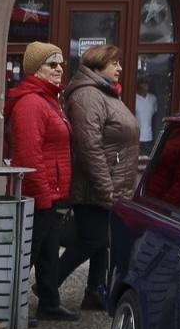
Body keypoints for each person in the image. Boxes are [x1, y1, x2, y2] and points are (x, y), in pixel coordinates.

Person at [59, 44, 140, 312]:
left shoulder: (106, 92)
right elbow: (88, 146)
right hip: (93, 186)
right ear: (98, 64)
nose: (120, 68)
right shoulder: (88, 95)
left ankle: (95, 291)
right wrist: (105, 186)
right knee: (92, 240)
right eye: (114, 63)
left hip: (109, 182)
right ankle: (48, 283)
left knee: (102, 240)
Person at [4, 41, 76, 321]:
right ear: (36, 69)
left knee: (48, 251)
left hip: (50, 192)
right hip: (37, 193)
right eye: (52, 64)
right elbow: (28, 155)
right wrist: (43, 195)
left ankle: (49, 302)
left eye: (61, 64)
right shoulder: (32, 103)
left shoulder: (48, 99)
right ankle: (11, 308)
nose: (59, 69)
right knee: (28, 253)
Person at [135, 79, 158, 156]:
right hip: (136, 138)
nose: (146, 85)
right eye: (143, 83)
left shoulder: (153, 99)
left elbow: (155, 117)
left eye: (147, 83)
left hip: (149, 138)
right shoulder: (133, 98)